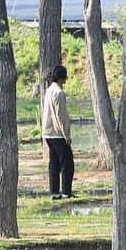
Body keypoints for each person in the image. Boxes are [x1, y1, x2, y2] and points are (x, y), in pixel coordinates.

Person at [41, 64, 74, 199]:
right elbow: (61, 116)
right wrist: (67, 135)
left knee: (54, 162)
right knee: (68, 163)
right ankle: (66, 192)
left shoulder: (49, 90)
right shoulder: (59, 93)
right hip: (57, 133)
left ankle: (54, 192)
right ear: (62, 78)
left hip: (47, 132)